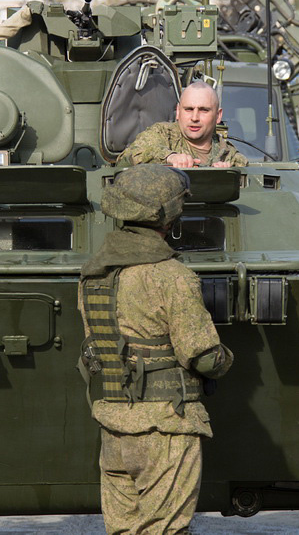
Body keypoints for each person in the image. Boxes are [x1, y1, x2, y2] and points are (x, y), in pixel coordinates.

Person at [77, 164, 234, 535]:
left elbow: (97, 347)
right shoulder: (171, 276)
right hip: (165, 429)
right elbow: (203, 356)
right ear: (170, 215)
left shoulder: (92, 275)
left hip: (114, 428)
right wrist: (228, 359)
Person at [117, 81, 248, 168]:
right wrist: (169, 157)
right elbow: (128, 157)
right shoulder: (163, 135)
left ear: (218, 116)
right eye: (189, 109)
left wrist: (229, 175)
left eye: (204, 110)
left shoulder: (227, 154)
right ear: (178, 111)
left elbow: (249, 178)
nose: (194, 118)